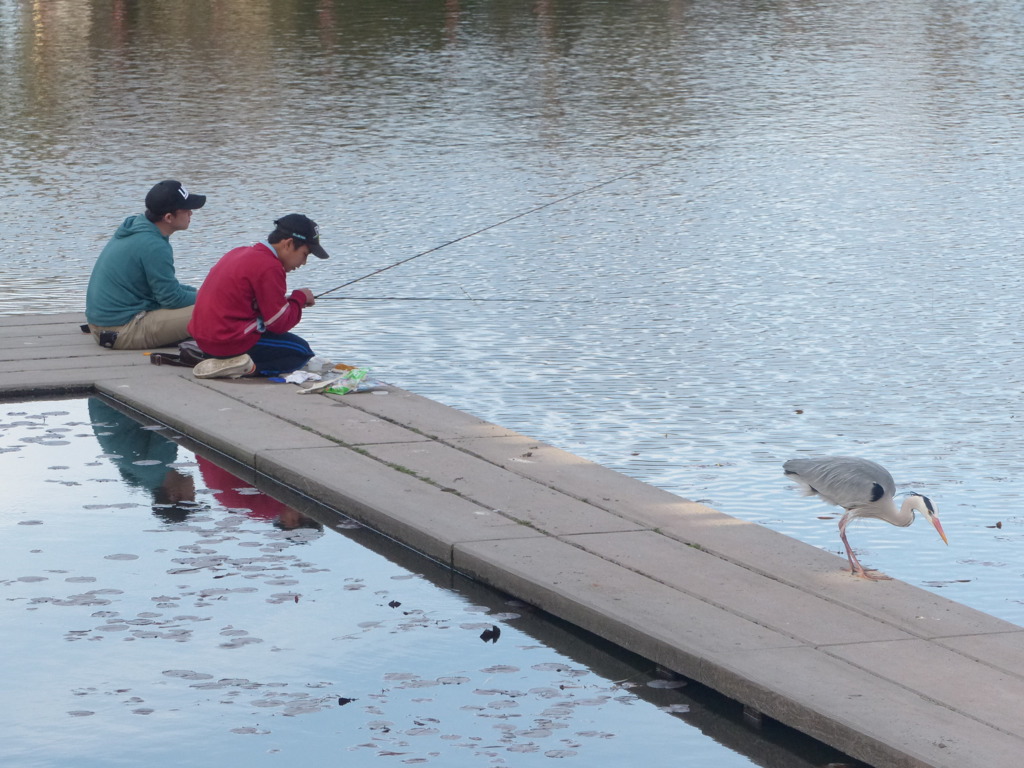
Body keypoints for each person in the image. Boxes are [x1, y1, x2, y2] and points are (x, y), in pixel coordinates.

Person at [187, 213, 329, 379]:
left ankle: (221, 360)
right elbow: (278, 324)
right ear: (289, 244)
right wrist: (299, 299)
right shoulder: (270, 267)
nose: (303, 262)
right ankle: (246, 368)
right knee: (301, 351)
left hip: (204, 341)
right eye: (305, 254)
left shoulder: (240, 253)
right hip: (226, 342)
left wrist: (289, 302)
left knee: (292, 346)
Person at [85, 180, 207, 350]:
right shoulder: (153, 245)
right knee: (214, 310)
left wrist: (199, 292)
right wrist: (211, 296)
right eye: (186, 210)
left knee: (207, 300)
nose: (191, 214)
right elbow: (171, 299)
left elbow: (166, 289)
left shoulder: (139, 227)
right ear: (169, 217)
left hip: (104, 325)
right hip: (120, 330)